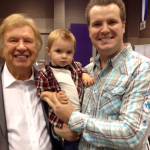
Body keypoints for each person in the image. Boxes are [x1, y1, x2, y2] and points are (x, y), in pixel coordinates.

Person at [40, 0, 150, 150]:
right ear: (90, 31)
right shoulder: (87, 71)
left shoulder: (142, 68)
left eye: (112, 22)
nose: (104, 30)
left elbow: (132, 136)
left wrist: (73, 118)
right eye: (97, 24)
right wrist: (57, 130)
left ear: (123, 26)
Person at [0, 14, 64, 150]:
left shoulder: (50, 80)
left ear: (36, 48)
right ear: (2, 49)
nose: (22, 47)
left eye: (28, 41)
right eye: (13, 40)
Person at [35, 29, 94, 150]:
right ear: (49, 51)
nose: (64, 56)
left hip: (82, 117)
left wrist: (84, 74)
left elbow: (82, 69)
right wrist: (52, 96)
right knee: (71, 144)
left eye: (69, 52)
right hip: (63, 121)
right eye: (58, 51)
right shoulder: (45, 73)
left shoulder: (74, 66)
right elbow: (41, 92)